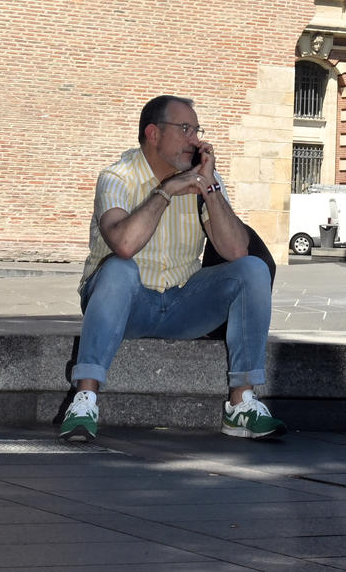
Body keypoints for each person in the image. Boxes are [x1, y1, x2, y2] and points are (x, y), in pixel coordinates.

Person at [60, 95, 282, 444]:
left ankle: (241, 404)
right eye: (184, 129)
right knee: (120, 267)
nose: (195, 140)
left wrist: (209, 188)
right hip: (126, 304)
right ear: (153, 133)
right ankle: (84, 400)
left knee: (252, 269)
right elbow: (124, 244)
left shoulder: (202, 182)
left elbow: (235, 249)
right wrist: (166, 191)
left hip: (182, 302)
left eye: (196, 130)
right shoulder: (117, 178)